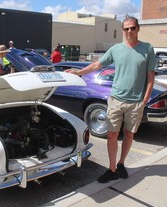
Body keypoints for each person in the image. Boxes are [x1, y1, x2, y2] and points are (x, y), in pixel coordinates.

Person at [66, 16, 157, 183]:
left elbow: (150, 76)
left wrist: (144, 100)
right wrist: (78, 72)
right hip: (116, 99)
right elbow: (97, 65)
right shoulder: (116, 49)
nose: (129, 31)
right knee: (112, 135)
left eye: (132, 28)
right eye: (126, 28)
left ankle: (121, 164)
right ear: (122, 30)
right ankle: (112, 168)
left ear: (138, 29)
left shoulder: (147, 49)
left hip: (136, 102)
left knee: (129, 135)